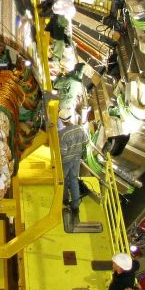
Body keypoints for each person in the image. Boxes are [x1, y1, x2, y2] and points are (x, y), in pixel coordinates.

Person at [55, 63, 90, 224]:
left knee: (62, 179)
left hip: (66, 160)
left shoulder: (62, 134)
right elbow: (86, 142)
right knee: (73, 180)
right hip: (76, 158)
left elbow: (61, 151)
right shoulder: (79, 129)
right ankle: (75, 205)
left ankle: (64, 200)